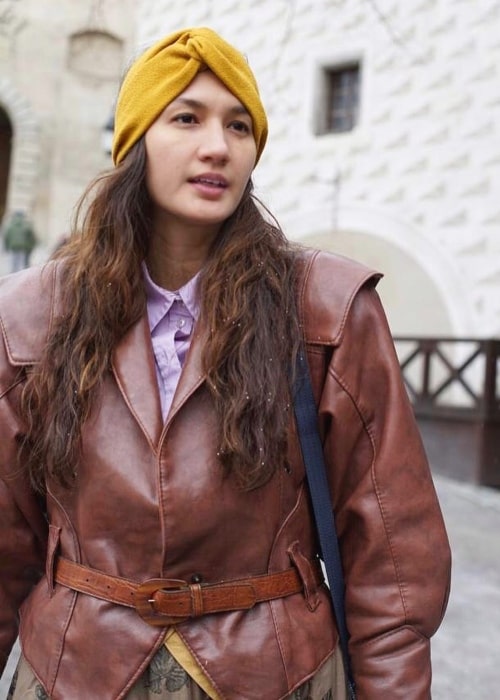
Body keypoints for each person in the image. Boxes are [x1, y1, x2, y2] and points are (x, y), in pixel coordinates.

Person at [0, 27, 451, 700]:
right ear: (134, 142)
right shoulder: (32, 314)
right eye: (187, 117)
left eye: (240, 126)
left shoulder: (326, 307)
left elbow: (393, 565)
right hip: (76, 672)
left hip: (276, 676)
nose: (219, 145)